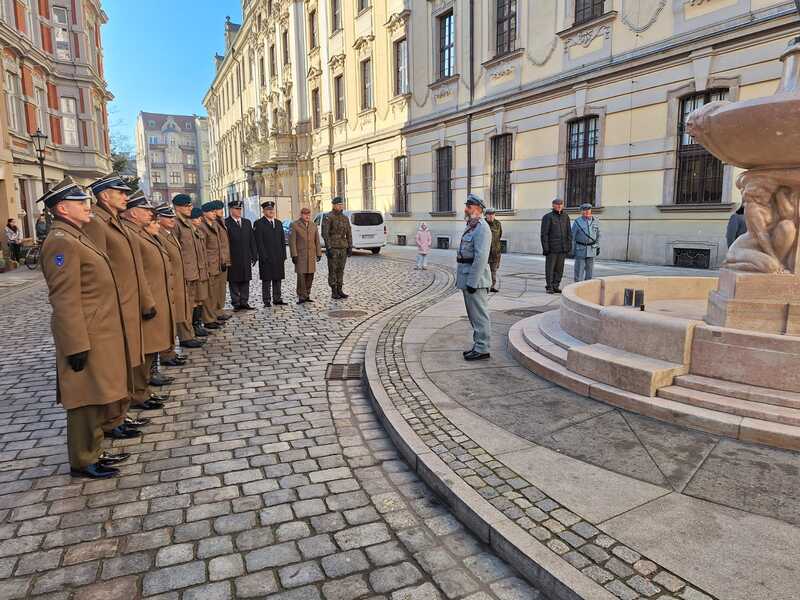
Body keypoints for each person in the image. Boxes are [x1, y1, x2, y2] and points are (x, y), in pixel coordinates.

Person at [39, 177, 130, 478]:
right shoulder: (61, 242)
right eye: (80, 202)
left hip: (99, 331)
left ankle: (94, 450)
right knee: (83, 398)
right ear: (63, 208)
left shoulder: (76, 236)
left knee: (97, 394)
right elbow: (65, 300)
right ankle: (82, 459)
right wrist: (76, 344)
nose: (87, 205)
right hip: (86, 333)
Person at [85, 173, 157, 437]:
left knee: (127, 361)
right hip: (114, 306)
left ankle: (120, 415)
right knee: (115, 365)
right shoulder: (97, 223)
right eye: (121, 193)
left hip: (128, 303)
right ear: (105, 196)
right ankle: (112, 419)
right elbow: (98, 270)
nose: (126, 196)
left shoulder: (112, 220)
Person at [121, 191, 175, 408]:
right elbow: (135, 271)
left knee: (152, 345)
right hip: (143, 299)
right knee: (145, 347)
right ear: (134, 213)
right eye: (146, 210)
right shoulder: (133, 233)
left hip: (153, 297)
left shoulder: (141, 233)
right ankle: (139, 392)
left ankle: (144, 388)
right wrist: (146, 300)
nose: (150, 214)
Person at [156, 204, 203, 363]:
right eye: (168, 217)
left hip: (181, 276)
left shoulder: (169, 233)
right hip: (171, 280)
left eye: (172, 217)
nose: (172, 220)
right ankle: (167, 353)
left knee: (186, 308)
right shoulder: (160, 235)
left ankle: (173, 348)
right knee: (172, 315)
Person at [457, 194, 492, 361]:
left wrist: (472, 282)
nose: (466, 209)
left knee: (479, 315)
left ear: (477, 208)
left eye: (469, 207)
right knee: (473, 316)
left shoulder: (482, 228)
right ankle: (478, 345)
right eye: (467, 206)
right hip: (468, 276)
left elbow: (481, 257)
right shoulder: (472, 226)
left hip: (476, 281)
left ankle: (482, 348)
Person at [172, 194, 210, 343]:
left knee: (193, 303)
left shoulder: (187, 223)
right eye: (187, 206)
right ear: (177, 207)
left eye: (190, 205)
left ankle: (192, 331)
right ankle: (186, 336)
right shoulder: (176, 224)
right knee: (185, 305)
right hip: (185, 273)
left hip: (194, 271)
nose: (190, 208)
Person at [225, 199, 258, 310]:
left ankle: (244, 301)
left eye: (240, 209)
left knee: (245, 279)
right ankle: (236, 302)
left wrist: (254, 255)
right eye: (236, 209)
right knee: (234, 280)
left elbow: (252, 240)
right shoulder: (226, 223)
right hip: (233, 257)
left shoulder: (247, 222)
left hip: (245, 256)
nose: (239, 211)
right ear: (230, 210)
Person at [254, 200, 287, 307]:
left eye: (272, 209)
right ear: (264, 211)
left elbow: (282, 240)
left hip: (278, 256)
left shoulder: (278, 223)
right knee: (267, 280)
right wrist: (263, 256)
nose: (271, 211)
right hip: (266, 257)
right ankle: (266, 300)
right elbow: (259, 242)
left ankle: (277, 298)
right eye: (268, 209)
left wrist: (283, 255)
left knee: (278, 278)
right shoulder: (259, 223)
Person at [199, 201, 226, 330]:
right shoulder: (202, 227)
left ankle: (213, 316)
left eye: (215, 211)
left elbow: (220, 246)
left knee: (215, 292)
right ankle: (208, 319)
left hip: (217, 264)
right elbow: (202, 249)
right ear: (204, 213)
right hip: (209, 265)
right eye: (212, 212)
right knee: (209, 294)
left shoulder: (214, 224)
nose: (215, 214)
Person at [289, 207, 323, 304]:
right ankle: (301, 296)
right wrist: (294, 255)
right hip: (300, 255)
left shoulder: (313, 225)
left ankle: (307, 294)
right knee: (301, 276)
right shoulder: (295, 225)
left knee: (310, 275)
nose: (307, 216)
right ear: (301, 214)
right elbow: (292, 242)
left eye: (308, 214)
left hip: (311, 255)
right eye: (305, 214)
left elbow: (317, 240)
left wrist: (319, 253)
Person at [321, 197, 352, 299]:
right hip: (333, 247)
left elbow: (349, 233)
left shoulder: (345, 218)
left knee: (341, 269)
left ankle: (340, 289)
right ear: (333, 205)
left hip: (343, 246)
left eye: (341, 204)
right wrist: (328, 247)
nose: (340, 206)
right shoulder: (328, 217)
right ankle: (334, 290)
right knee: (333, 269)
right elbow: (325, 233)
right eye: (338, 204)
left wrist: (350, 246)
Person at [188, 206, 212, 336]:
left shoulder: (198, 232)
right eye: (196, 218)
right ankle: (194, 326)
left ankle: (198, 324)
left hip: (202, 269)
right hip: (194, 271)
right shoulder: (190, 232)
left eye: (199, 217)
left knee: (200, 298)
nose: (199, 220)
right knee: (194, 300)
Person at [541, 198, 571, 294]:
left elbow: (569, 233)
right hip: (552, 248)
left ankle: (556, 285)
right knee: (550, 269)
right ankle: (549, 286)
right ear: (553, 205)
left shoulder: (566, 217)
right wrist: (546, 248)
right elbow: (544, 234)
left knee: (559, 269)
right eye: (557, 204)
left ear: (563, 205)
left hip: (562, 248)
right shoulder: (548, 217)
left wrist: (569, 246)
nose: (559, 206)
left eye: (561, 204)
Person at [571, 203, 600, 282]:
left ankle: (588, 287)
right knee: (579, 271)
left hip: (592, 249)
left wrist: (597, 246)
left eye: (588, 210)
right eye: (584, 210)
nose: (587, 211)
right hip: (580, 249)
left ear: (591, 210)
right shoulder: (577, 222)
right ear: (581, 212)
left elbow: (598, 235)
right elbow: (572, 237)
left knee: (590, 272)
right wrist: (572, 250)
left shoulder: (595, 221)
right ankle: (577, 287)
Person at [215, 202, 233, 318]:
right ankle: (215, 313)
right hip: (217, 261)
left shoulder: (221, 222)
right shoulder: (215, 223)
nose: (221, 211)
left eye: (222, 209)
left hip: (224, 260)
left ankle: (219, 310)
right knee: (216, 290)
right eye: (218, 209)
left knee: (221, 289)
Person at [486, 208, 503, 292]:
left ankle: (492, 286)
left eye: (493, 214)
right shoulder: (483, 224)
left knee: (494, 270)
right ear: (486, 215)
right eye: (489, 214)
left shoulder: (498, 223)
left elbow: (499, 235)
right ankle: (485, 286)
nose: (491, 216)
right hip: (486, 251)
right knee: (485, 270)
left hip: (495, 251)